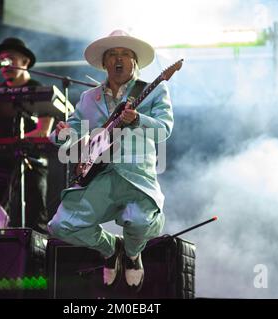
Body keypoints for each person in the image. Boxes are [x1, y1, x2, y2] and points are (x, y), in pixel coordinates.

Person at [47, 30, 173, 292]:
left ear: (135, 62)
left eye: (125, 54)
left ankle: (132, 252)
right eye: (113, 55)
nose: (119, 59)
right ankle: (110, 248)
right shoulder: (87, 98)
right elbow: (72, 133)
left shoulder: (153, 90)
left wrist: (137, 119)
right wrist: (61, 134)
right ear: (104, 63)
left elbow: (163, 130)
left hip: (136, 176)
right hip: (100, 176)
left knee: (141, 222)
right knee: (61, 226)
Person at [0, 37, 54, 234]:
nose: (5, 64)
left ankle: (36, 263)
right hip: (0, 164)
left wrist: (14, 144)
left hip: (32, 164)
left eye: (10, 59)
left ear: (25, 62)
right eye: (2, 60)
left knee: (36, 220)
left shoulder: (40, 91)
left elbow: (44, 131)